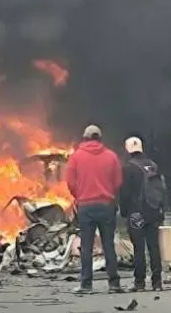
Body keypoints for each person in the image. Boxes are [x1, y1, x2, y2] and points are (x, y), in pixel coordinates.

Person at [65, 125, 123, 294]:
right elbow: (118, 182)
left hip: (86, 207)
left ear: (85, 138)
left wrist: (80, 196)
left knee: (87, 247)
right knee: (108, 245)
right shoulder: (111, 156)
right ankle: (114, 284)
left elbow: (70, 183)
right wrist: (108, 194)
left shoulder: (76, 157)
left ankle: (86, 284)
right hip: (106, 206)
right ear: (100, 138)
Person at [118, 137, 165, 292]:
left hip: (136, 214)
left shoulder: (128, 168)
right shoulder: (153, 166)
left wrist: (124, 211)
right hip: (153, 211)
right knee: (154, 247)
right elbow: (162, 189)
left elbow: (125, 194)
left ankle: (140, 283)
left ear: (127, 150)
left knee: (139, 248)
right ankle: (157, 282)